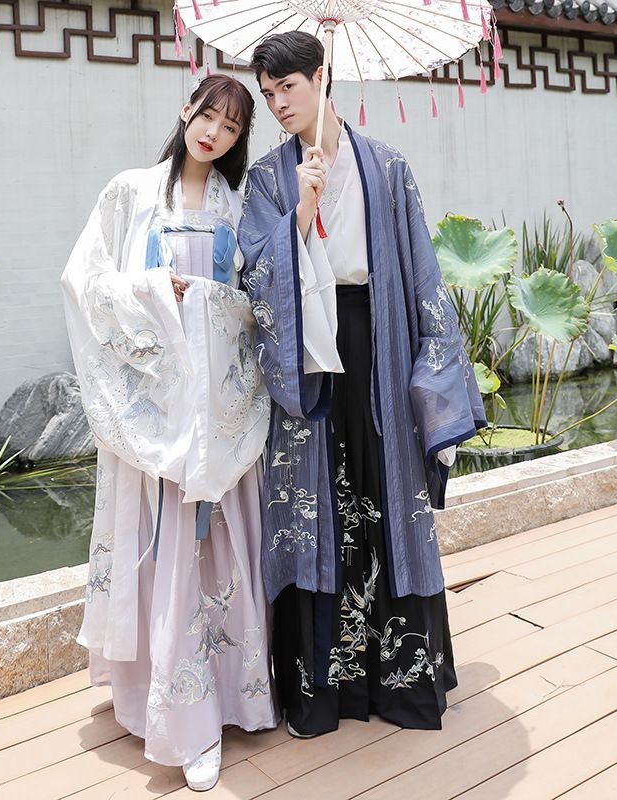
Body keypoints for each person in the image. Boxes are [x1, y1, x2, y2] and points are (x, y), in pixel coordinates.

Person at [238, 32, 487, 739]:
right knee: (318, 500)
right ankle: (321, 694)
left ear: (322, 77)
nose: (278, 103)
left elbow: (422, 276)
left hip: (379, 338)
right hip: (307, 354)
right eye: (268, 94)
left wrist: (429, 373)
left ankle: (402, 685)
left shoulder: (388, 165)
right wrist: (303, 211)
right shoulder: (267, 178)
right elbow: (256, 276)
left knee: (382, 490)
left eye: (287, 87)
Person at [61, 75, 279, 791]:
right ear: (186, 112)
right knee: (167, 552)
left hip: (216, 409)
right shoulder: (129, 194)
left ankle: (230, 699)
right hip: (157, 414)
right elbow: (85, 283)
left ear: (241, 139)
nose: (214, 131)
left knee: (216, 549)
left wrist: (215, 296)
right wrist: (157, 292)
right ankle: (177, 716)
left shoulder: (238, 207)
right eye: (207, 113)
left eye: (232, 124)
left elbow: (259, 300)